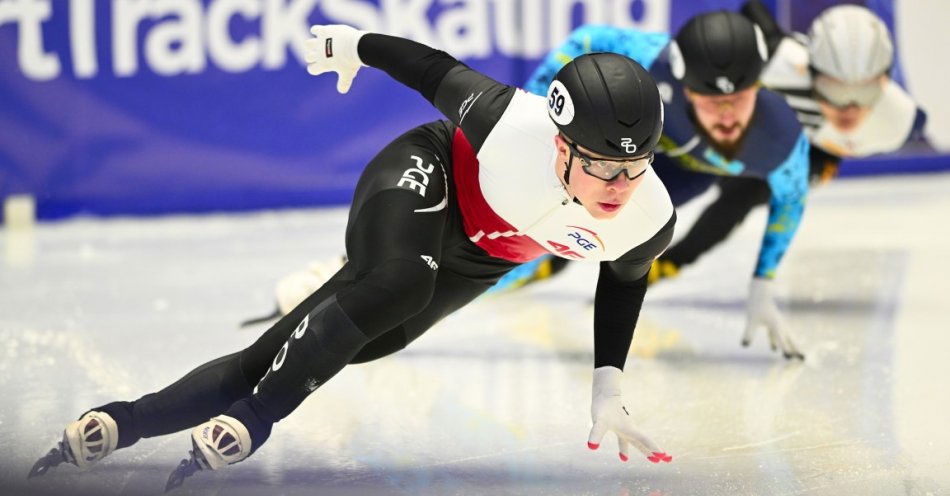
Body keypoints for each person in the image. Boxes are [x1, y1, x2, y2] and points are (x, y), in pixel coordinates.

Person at [29, 24, 676, 490]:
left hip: (477, 260)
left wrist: (606, 388)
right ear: (561, 148)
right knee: (398, 284)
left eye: (635, 169)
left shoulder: (649, 216)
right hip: (430, 174)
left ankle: (120, 422)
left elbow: (623, 280)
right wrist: (351, 45)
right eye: (603, 169)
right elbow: (431, 68)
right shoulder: (510, 122)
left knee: (345, 342)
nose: (620, 189)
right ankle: (256, 421)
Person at [647, 2, 928, 285]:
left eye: (865, 91)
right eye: (834, 89)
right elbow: (749, 11)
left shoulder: (900, 119)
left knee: (747, 193)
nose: (849, 108)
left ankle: (672, 262)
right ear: (810, 71)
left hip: (816, 152)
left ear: (885, 83)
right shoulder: (779, 59)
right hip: (765, 130)